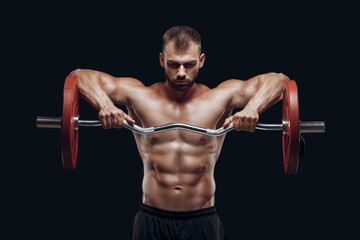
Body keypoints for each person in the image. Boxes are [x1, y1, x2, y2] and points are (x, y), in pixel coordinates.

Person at [70, 26, 288, 240]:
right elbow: (79, 76)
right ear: (162, 60)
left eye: (189, 64)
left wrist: (252, 108)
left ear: (201, 61)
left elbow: (279, 80)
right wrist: (105, 105)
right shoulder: (140, 96)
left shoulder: (220, 97)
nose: (181, 73)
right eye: (173, 64)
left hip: (202, 219)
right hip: (151, 218)